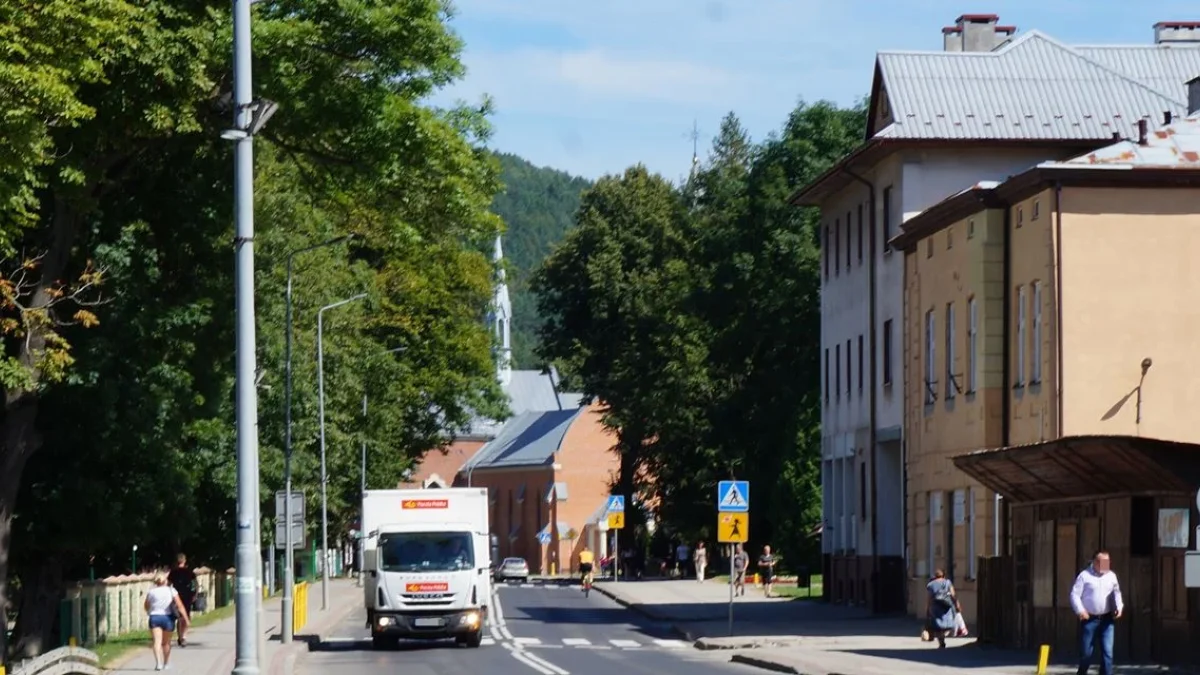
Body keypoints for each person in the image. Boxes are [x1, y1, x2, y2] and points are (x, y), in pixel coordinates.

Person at [1070, 550, 1123, 675]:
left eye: (1107, 562)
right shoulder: (1084, 576)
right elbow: (1074, 595)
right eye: (1102, 562)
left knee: (1108, 653)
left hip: (1107, 619)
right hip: (1090, 619)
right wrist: (1080, 610)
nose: (1105, 565)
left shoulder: (1111, 576)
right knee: (1086, 654)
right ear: (1094, 562)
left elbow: (1116, 593)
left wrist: (1119, 607)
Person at [146, 573, 191, 671]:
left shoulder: (151, 592)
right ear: (165, 580)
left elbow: (146, 606)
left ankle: (158, 663)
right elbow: (180, 605)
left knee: (156, 642)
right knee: (166, 643)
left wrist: (150, 611)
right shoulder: (171, 591)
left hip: (154, 617)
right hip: (167, 618)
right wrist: (186, 619)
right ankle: (166, 663)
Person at [166, 554, 197, 647]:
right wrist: (195, 594)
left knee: (179, 617)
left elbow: (168, 584)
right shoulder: (189, 572)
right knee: (186, 615)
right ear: (184, 561)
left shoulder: (173, 572)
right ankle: (184, 636)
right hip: (187, 595)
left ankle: (180, 636)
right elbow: (195, 584)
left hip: (176, 595)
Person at [925, 569, 960, 649]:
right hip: (947, 606)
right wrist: (957, 603)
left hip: (935, 606)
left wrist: (927, 608)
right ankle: (944, 635)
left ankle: (941, 641)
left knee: (938, 626)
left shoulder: (931, 584)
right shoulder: (947, 582)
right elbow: (953, 594)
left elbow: (929, 598)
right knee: (948, 624)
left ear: (935, 576)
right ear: (943, 576)